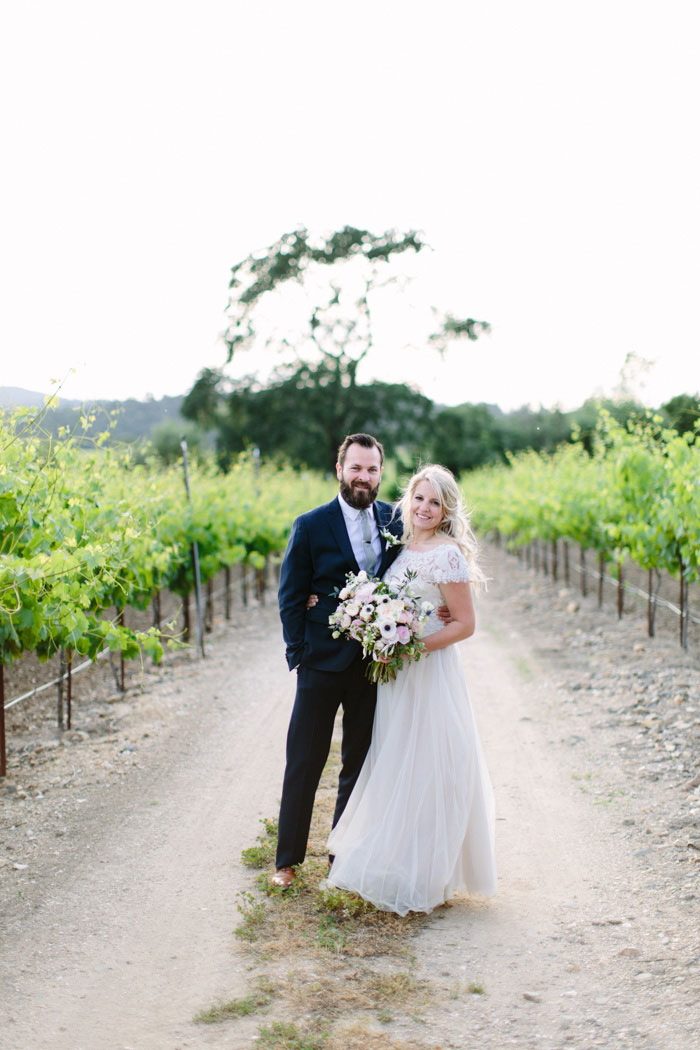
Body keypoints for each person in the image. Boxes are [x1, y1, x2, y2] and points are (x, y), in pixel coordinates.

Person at [326, 464, 497, 915]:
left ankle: (426, 872)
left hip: (428, 671)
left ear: (445, 511)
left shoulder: (447, 554)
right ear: (408, 499)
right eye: (419, 497)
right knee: (395, 758)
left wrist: (410, 647)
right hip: (397, 675)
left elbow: (465, 624)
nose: (424, 508)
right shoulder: (399, 546)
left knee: (428, 763)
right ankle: (397, 858)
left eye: (435, 502)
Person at [271, 433, 404, 888]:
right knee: (304, 760)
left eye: (371, 470)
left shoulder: (395, 519)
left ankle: (341, 856)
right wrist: (300, 654)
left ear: (380, 474)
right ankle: (286, 862)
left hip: (373, 663)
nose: (363, 477)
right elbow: (291, 595)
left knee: (359, 762)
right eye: (356, 468)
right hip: (320, 663)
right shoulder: (310, 525)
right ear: (339, 470)